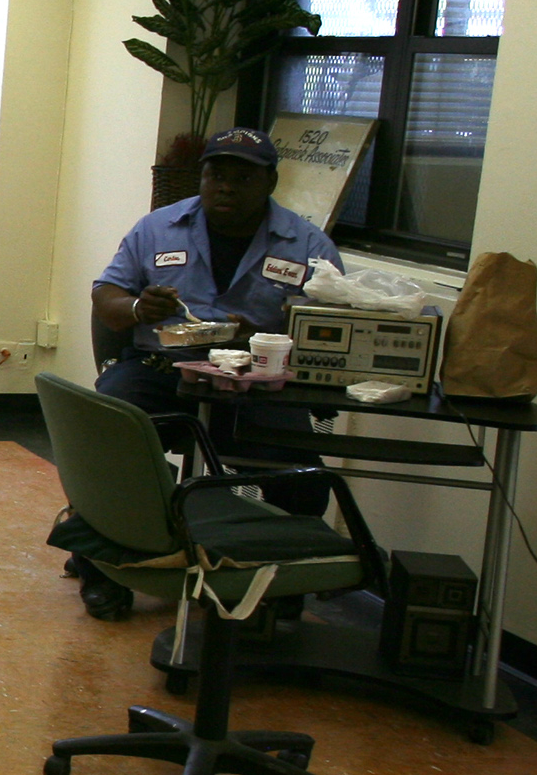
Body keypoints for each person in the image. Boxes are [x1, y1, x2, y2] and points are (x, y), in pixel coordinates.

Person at [69, 127, 343, 618]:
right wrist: (138, 306)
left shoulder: (307, 245)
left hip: (256, 380)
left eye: (243, 177)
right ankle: (102, 567)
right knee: (108, 437)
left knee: (302, 476)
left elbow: (330, 329)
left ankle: (281, 585)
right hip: (161, 367)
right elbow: (105, 298)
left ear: (270, 182)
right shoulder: (156, 228)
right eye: (216, 174)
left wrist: (255, 333)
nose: (226, 187)